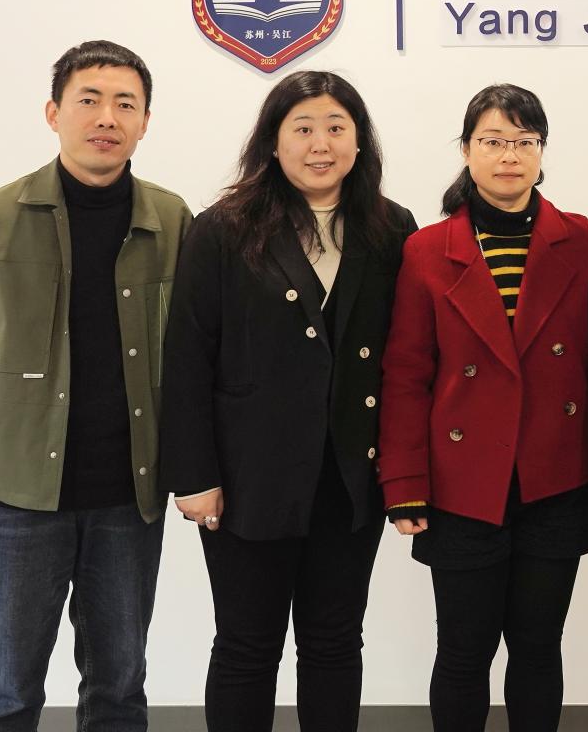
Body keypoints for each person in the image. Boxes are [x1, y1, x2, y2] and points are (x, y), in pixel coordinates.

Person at [0, 40, 193, 732]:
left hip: (127, 497)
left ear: (145, 122)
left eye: (125, 104)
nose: (107, 117)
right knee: (7, 689)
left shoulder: (173, 222)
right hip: (13, 498)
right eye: (89, 100)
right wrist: (6, 429)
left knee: (119, 687)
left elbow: (194, 349)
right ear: (53, 113)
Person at [160, 70, 416, 731]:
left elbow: (407, 360)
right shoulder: (223, 229)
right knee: (247, 646)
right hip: (249, 478)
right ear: (273, 142)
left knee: (335, 642)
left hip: (349, 477)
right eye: (302, 128)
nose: (320, 144)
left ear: (360, 141)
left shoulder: (392, 228)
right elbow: (186, 359)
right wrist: (195, 476)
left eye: (336, 127)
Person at [378, 83, 588, 732]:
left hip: (555, 478)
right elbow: (406, 375)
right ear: (466, 150)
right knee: (463, 651)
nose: (510, 156)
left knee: (537, 648)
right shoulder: (428, 249)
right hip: (461, 486)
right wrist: (404, 483)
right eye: (494, 141)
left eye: (524, 142)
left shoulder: (579, 240)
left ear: (542, 150)